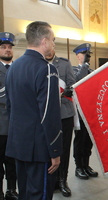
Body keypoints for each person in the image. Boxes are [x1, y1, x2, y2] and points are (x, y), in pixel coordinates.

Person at [5, 21, 62, 200]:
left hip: (18, 145)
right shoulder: (46, 69)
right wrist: (55, 151)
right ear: (44, 41)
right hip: (40, 149)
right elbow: (49, 114)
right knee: (40, 195)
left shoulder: (13, 67)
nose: (53, 44)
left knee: (25, 194)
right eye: (52, 40)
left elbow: (10, 106)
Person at [45, 48, 76, 197]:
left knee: (64, 148)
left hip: (64, 113)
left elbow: (73, 84)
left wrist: (68, 90)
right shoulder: (39, 64)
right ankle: (51, 181)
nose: (50, 51)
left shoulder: (64, 64)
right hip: (46, 115)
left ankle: (63, 181)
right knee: (48, 150)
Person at [72, 43, 98, 180]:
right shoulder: (73, 70)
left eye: (89, 55)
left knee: (88, 141)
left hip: (91, 112)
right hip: (79, 113)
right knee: (80, 140)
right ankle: (78, 167)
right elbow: (78, 81)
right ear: (78, 56)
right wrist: (84, 65)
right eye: (84, 55)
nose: (87, 58)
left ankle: (86, 165)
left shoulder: (93, 71)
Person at [0, 32, 18, 200]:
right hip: (0, 125)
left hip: (16, 126)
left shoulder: (19, 67)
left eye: (9, 47)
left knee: (13, 162)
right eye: (3, 47)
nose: (7, 50)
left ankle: (11, 190)